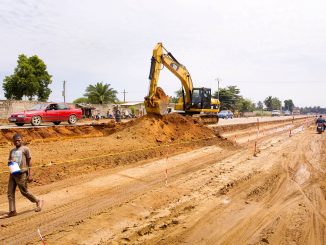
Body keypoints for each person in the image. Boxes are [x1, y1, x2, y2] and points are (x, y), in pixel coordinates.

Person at [5, 133, 43, 217]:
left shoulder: (25, 149)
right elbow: (9, 160)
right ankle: (12, 211)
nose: (17, 142)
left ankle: (38, 200)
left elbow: (29, 161)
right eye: (15, 140)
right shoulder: (12, 151)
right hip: (13, 173)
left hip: (22, 174)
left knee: (24, 191)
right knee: (10, 192)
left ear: (22, 140)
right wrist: (9, 162)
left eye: (19, 140)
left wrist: (30, 174)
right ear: (13, 142)